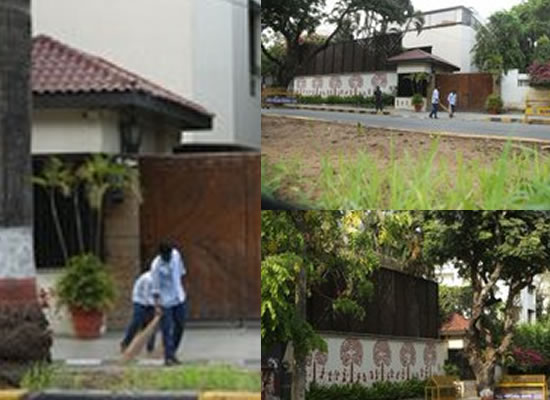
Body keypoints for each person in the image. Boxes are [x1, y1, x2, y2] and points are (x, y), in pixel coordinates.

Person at [151, 241, 187, 366]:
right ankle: (168, 357)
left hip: (179, 297)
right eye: (166, 256)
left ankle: (172, 351)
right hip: (165, 301)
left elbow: (181, 272)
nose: (169, 258)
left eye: (169, 255)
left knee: (180, 325)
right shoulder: (156, 266)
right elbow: (155, 288)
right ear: (161, 255)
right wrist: (157, 306)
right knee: (167, 329)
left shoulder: (176, 255)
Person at [120, 268, 156, 353]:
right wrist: (157, 306)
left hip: (151, 302)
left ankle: (150, 347)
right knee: (136, 321)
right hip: (139, 301)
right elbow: (146, 296)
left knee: (152, 324)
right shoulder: (148, 279)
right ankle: (126, 343)